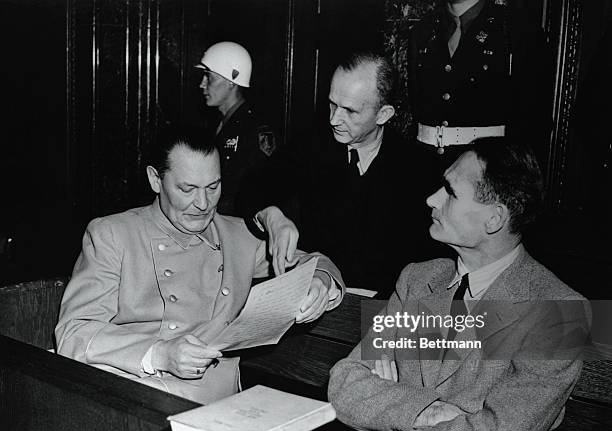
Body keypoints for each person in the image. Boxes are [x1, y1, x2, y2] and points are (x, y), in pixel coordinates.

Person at [328, 138, 589, 431]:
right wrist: (431, 414)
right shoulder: (418, 280)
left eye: (449, 192)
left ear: (494, 218)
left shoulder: (557, 312)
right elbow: (345, 384)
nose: (431, 199)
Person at [55, 127, 344, 404]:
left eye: (213, 186)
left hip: (213, 401)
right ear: (155, 180)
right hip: (135, 392)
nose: (203, 204)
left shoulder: (237, 237)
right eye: (187, 188)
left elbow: (314, 262)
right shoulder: (113, 234)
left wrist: (320, 282)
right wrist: (159, 354)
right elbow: (73, 333)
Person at [266, 50, 439, 298]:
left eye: (349, 110)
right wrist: (274, 218)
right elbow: (254, 186)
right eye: (332, 104)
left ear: (384, 115)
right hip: (316, 301)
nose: (334, 119)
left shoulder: (420, 170)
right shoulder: (311, 147)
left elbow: (427, 268)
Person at [408, 0, 551, 179]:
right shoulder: (423, 31)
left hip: (485, 175)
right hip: (425, 169)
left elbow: (533, 122)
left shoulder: (516, 31)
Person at [196, 41, 279, 217]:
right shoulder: (215, 124)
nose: (202, 84)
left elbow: (263, 192)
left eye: (208, 77)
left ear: (231, 81)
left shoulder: (255, 129)